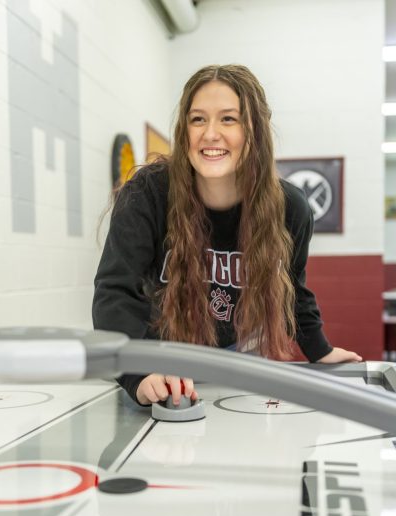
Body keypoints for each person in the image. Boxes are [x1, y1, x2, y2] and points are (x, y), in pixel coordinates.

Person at [93, 64, 362, 407]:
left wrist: (320, 349)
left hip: (238, 358)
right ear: (184, 129)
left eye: (229, 119)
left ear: (254, 131)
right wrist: (137, 375)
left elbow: (292, 289)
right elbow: (115, 292)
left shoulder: (290, 208)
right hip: (157, 360)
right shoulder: (146, 194)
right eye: (198, 119)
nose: (210, 134)